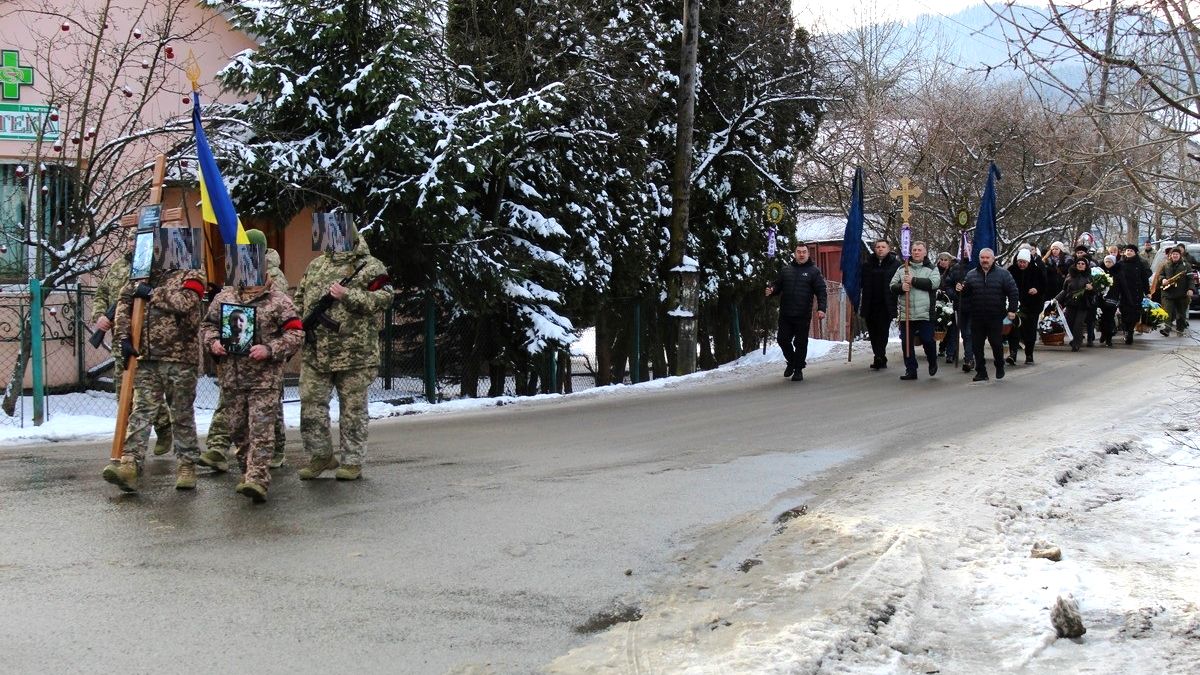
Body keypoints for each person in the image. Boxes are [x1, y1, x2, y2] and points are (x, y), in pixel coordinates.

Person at [101, 254, 206, 492]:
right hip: (146, 356)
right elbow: (124, 303)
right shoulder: (140, 273)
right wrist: (124, 337)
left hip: (180, 357)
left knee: (181, 413)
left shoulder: (191, 271)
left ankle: (186, 464)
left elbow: (185, 303)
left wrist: (152, 293)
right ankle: (130, 463)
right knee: (141, 410)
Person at [296, 223, 392, 481]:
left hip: (354, 353)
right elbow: (300, 298)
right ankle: (321, 455)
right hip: (316, 351)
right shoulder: (316, 266)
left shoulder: (370, 266)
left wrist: (347, 295)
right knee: (311, 405)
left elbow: (384, 299)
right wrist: (295, 325)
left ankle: (352, 461)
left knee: (352, 410)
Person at [201, 277, 304, 502]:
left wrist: (270, 349)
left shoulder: (278, 301)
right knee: (238, 429)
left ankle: (257, 479)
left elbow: (296, 333)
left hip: (264, 379)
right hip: (232, 377)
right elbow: (207, 325)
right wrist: (213, 342)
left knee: (261, 430)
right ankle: (248, 472)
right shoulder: (224, 297)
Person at [201, 229, 291, 472]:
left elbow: (280, 315)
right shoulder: (238, 276)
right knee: (233, 411)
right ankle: (220, 449)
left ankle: (272, 454)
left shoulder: (273, 277)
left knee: (269, 412)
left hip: (264, 361)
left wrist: (272, 348)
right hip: (235, 358)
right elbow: (219, 314)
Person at [91, 230, 173, 456]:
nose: (131, 243)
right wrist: (100, 315)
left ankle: (164, 426)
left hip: (143, 339)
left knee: (145, 391)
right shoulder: (117, 266)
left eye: (136, 239)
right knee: (123, 395)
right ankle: (127, 448)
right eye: (128, 239)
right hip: (120, 339)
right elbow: (101, 294)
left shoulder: (152, 270)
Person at [767, 243, 828, 382]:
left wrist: (821, 308)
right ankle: (792, 362)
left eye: (804, 252)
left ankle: (798, 370)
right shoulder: (786, 270)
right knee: (782, 340)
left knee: (800, 343)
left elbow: (821, 291)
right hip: (786, 313)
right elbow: (777, 285)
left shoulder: (814, 271)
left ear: (808, 254)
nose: (801, 254)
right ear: (794, 253)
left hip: (802, 314)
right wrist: (771, 290)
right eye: (798, 252)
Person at [957, 248, 1018, 382]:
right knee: (977, 345)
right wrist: (961, 289)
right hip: (977, 315)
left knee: (996, 343)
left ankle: (999, 365)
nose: (985, 260)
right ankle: (981, 371)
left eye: (987, 258)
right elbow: (966, 293)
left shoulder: (1003, 274)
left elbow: (1013, 292)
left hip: (996, 316)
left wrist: (1012, 310)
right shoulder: (971, 274)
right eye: (982, 258)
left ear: (993, 259)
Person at [889, 241, 940, 380]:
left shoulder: (931, 268)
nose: (916, 252)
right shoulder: (902, 268)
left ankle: (932, 361)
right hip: (907, 313)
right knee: (906, 342)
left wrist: (913, 281)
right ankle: (911, 369)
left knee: (927, 340)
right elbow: (892, 285)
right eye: (914, 250)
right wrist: (901, 287)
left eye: (919, 250)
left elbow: (934, 284)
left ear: (925, 252)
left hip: (925, 313)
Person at [858, 239, 900, 370]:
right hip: (870, 303)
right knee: (873, 332)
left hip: (885, 304)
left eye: (883, 247)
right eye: (878, 247)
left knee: (882, 332)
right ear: (874, 249)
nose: (880, 249)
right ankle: (879, 355)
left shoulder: (895, 264)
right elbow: (860, 282)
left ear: (888, 249)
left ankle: (879, 356)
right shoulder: (867, 265)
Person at [1007, 249, 1045, 364]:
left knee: (1030, 331)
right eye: (1020, 262)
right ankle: (1013, 353)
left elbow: (1044, 286)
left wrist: (1037, 290)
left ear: (1028, 262)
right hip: (1015, 305)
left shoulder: (1037, 271)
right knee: (1013, 330)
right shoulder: (1011, 271)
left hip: (1031, 307)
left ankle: (1029, 354)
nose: (1021, 264)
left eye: (1024, 262)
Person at [1056, 257, 1096, 352]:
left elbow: (1095, 292)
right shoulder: (1070, 276)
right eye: (1079, 263)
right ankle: (1073, 339)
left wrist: (1091, 289)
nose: (1080, 265)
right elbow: (1064, 290)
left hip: (1083, 304)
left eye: (1083, 264)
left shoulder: (1089, 277)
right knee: (1069, 323)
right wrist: (1056, 299)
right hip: (1071, 303)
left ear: (1086, 266)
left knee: (1078, 324)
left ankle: (1076, 343)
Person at [1114, 243, 1151, 344]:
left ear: (1135, 253)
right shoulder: (1120, 264)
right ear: (1124, 252)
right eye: (1127, 250)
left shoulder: (1140, 264)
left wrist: (1147, 292)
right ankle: (1127, 331)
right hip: (1123, 293)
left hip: (1136, 292)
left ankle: (1130, 330)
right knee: (1125, 313)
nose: (1129, 252)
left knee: (1135, 314)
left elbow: (1144, 279)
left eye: (1131, 251)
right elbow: (1114, 278)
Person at [943, 252, 974, 372]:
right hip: (959, 306)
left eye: (968, 249)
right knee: (957, 331)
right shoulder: (955, 268)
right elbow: (948, 284)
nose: (966, 252)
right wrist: (955, 294)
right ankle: (951, 353)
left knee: (969, 333)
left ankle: (969, 358)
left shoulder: (976, 266)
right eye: (964, 250)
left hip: (974, 306)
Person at [1156, 245, 1193, 336]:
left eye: (1176, 254)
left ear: (1180, 255)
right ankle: (1166, 329)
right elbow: (1160, 275)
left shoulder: (1186, 265)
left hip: (1181, 294)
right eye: (1173, 254)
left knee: (1181, 314)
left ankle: (1180, 329)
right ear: (1170, 255)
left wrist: (1190, 289)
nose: (1175, 256)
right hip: (1167, 293)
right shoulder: (1166, 264)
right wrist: (1163, 279)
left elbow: (1191, 279)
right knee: (1167, 312)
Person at [935, 252, 959, 362]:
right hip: (939, 300)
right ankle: (942, 347)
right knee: (942, 325)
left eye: (946, 260)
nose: (943, 262)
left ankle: (951, 352)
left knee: (952, 327)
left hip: (952, 300)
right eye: (941, 259)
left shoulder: (954, 270)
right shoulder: (935, 270)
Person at [1098, 254, 1120, 347]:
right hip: (1102, 298)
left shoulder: (1118, 273)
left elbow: (1121, 286)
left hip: (1113, 298)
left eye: (1109, 262)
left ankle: (1109, 339)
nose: (1107, 263)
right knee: (1102, 319)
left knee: (1110, 319)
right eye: (1106, 261)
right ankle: (1103, 333)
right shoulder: (1100, 272)